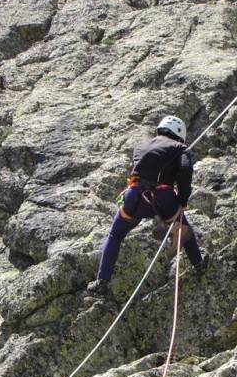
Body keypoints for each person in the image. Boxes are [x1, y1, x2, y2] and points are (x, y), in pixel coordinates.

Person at [87, 115, 207, 295]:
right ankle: (199, 264)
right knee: (182, 225)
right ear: (180, 134)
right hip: (163, 197)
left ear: (159, 130)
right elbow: (185, 170)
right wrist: (183, 199)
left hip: (135, 195)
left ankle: (101, 281)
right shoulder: (181, 148)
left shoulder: (140, 146)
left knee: (115, 235)